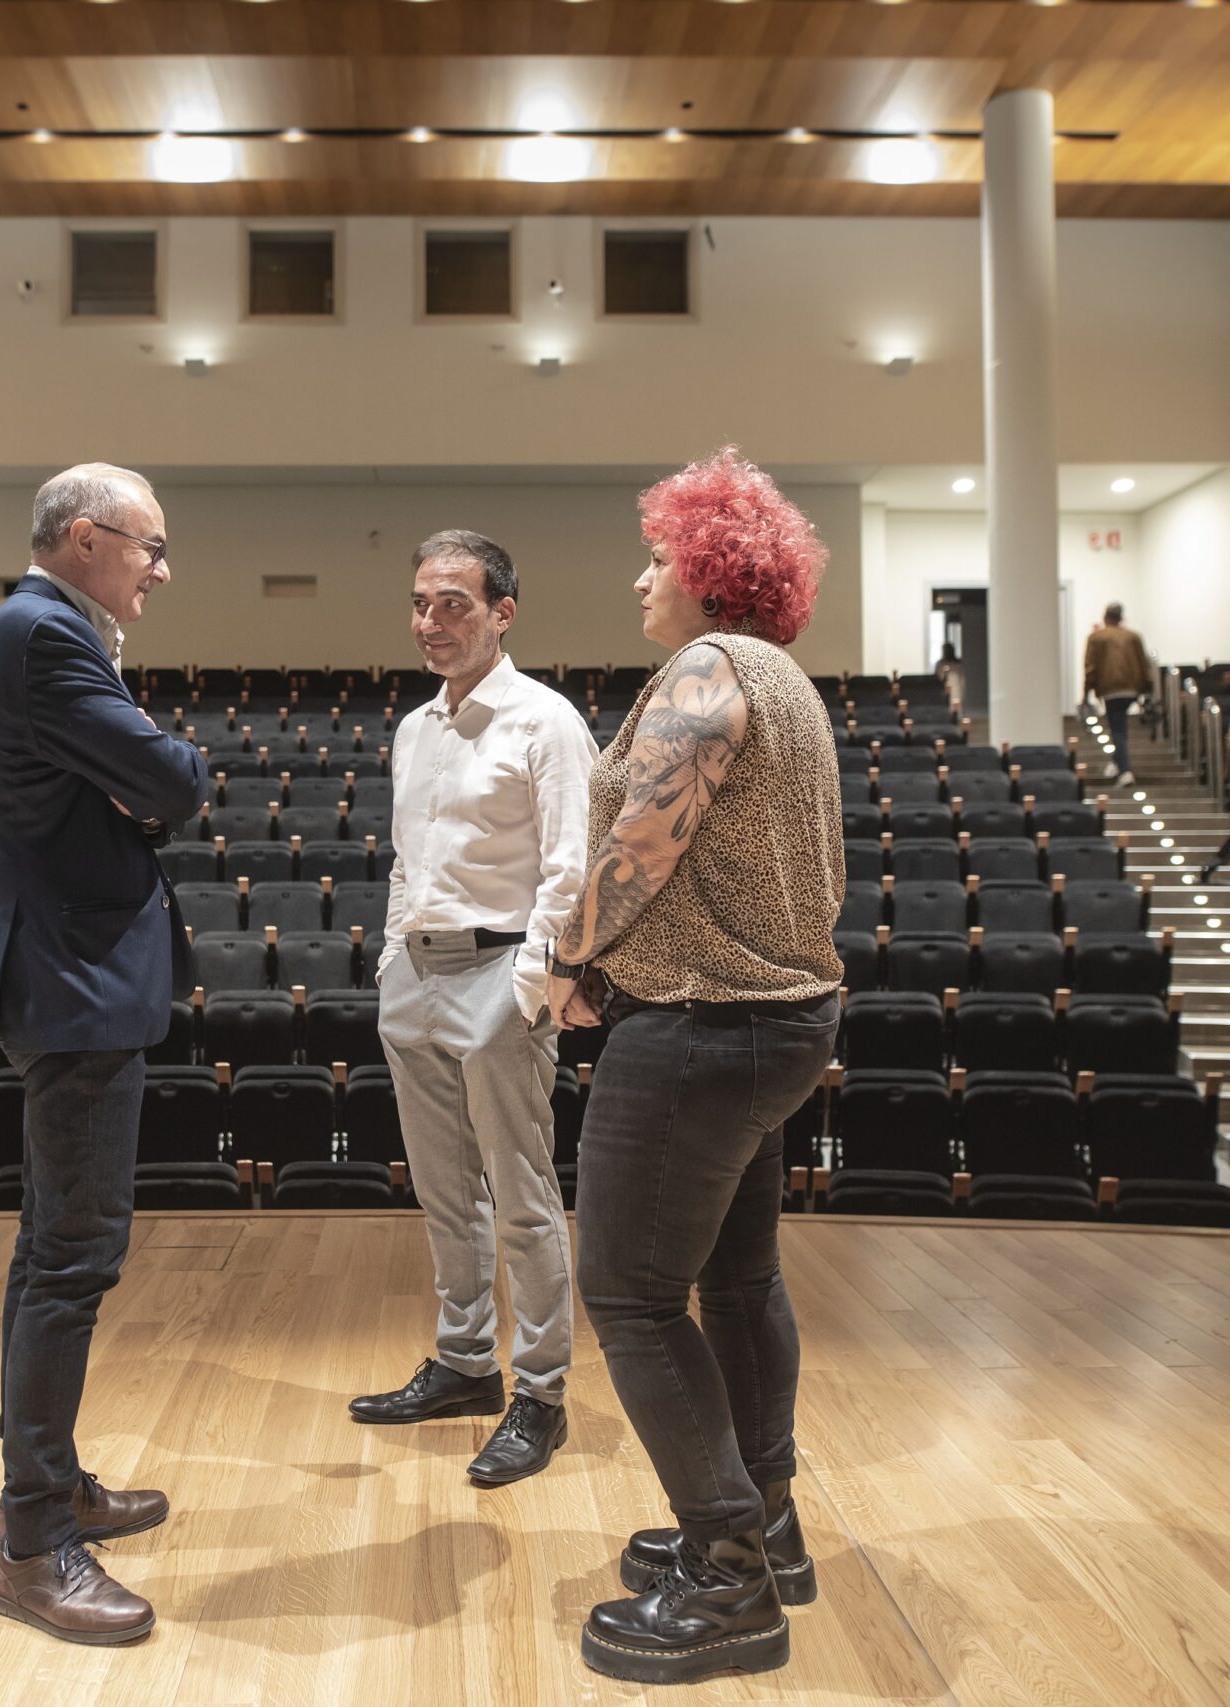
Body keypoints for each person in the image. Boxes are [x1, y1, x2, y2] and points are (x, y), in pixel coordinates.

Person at [545, 448, 844, 1686]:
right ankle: (764, 1521)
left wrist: (567, 959)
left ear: (715, 573)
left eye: (660, 557)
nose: (641, 579)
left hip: (701, 1023)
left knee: (626, 1292)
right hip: (778, 1019)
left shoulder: (710, 668)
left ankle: (727, 1576)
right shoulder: (787, 681)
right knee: (736, 1277)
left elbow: (643, 840)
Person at [0, 463, 211, 1646]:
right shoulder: (44, 636)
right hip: (73, 981)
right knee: (71, 1261)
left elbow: (139, 795)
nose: (161, 568)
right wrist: (159, 774)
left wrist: (139, 788)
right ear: (81, 536)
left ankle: (50, 1486)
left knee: (48, 1255)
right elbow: (171, 781)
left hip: (65, 976)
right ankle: (30, 1546)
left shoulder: (44, 634)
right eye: (148, 545)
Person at [349, 531, 594, 1487]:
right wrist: (391, 965)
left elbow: (570, 869)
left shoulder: (546, 721)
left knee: (522, 1197)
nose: (430, 622)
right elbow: (408, 864)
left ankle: (541, 1392)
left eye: (453, 603)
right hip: (417, 975)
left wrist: (529, 987)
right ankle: (464, 1364)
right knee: (445, 1191)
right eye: (420, 603)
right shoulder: (415, 728)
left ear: (503, 613)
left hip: (502, 975)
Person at [1082, 602, 1151, 783]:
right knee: (1120, 727)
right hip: (1132, 688)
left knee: (1117, 729)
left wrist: (1086, 693)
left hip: (1111, 688)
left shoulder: (1096, 638)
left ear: (1105, 617)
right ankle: (1116, 762)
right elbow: (1143, 664)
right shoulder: (1132, 637)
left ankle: (1125, 770)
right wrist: (1147, 688)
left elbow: (1090, 667)